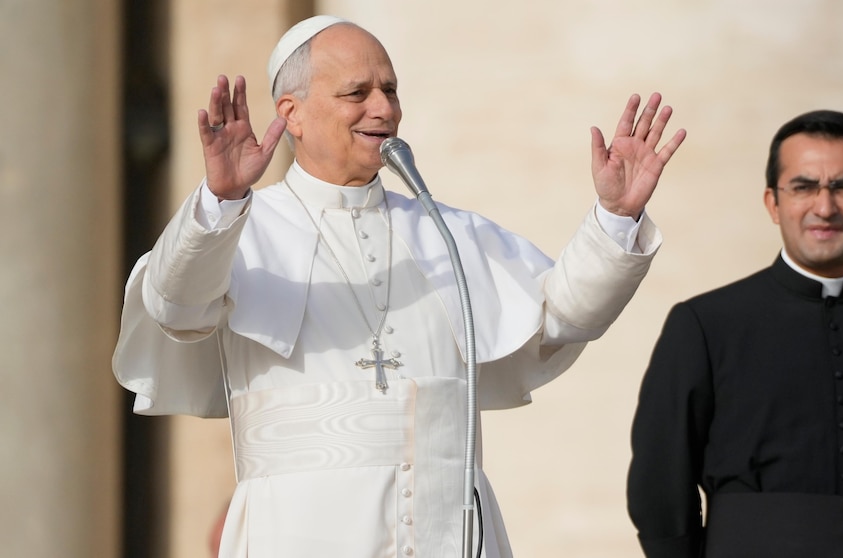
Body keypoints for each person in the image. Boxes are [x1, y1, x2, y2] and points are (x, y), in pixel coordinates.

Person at [113, 14, 686, 558]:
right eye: (357, 93)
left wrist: (615, 217)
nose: (383, 107)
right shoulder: (237, 227)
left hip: (449, 527)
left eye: (391, 89)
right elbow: (176, 307)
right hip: (302, 531)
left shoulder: (443, 230)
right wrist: (222, 201)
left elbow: (560, 317)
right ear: (293, 113)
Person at [627, 110, 843, 558]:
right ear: (773, 203)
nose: (824, 207)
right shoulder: (705, 324)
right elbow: (658, 482)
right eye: (803, 187)